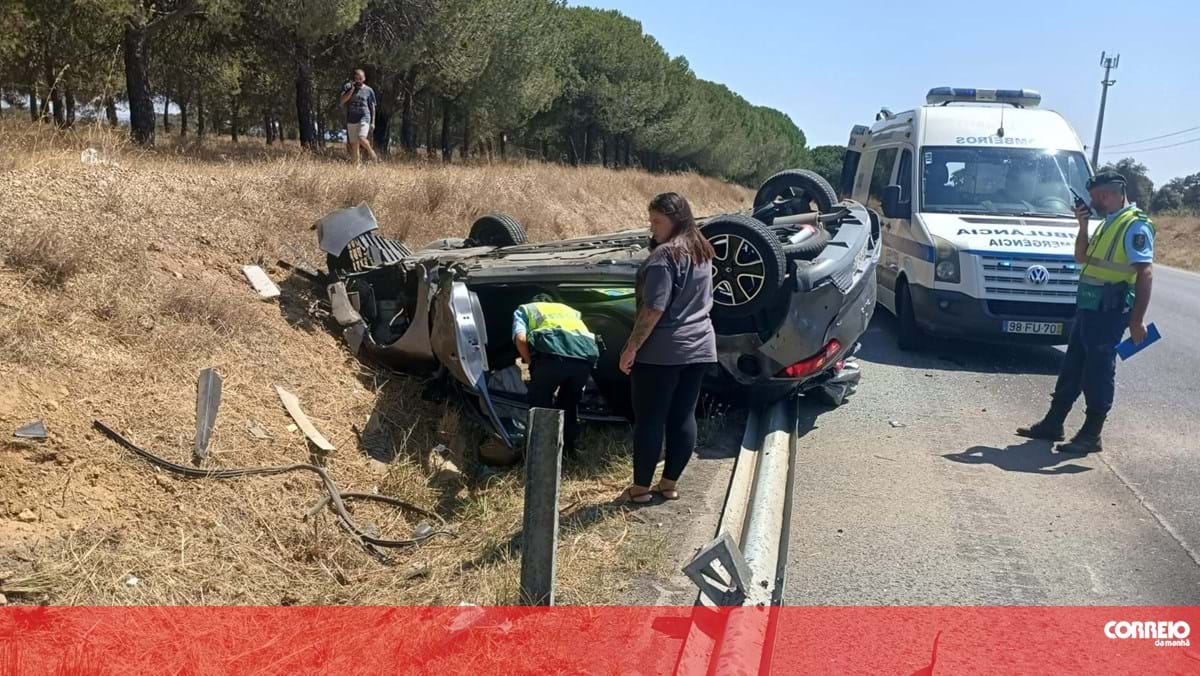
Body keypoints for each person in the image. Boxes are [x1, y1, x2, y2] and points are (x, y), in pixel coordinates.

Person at [1017, 171, 1155, 454]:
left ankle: (1092, 434)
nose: (1096, 203)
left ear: (1111, 193)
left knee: (1098, 370)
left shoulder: (1135, 226)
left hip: (1109, 310)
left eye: (1098, 197)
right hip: (1089, 307)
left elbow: (1145, 272)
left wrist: (1138, 319)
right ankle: (1054, 423)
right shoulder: (1108, 223)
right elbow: (1081, 257)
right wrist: (1082, 226)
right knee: (1073, 366)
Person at [617, 193, 718, 503]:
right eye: (651, 221)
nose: (652, 229)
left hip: (663, 351)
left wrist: (631, 348)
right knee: (683, 416)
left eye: (657, 222)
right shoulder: (702, 250)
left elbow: (654, 308)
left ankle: (641, 489)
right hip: (699, 346)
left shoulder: (665, 256)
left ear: (676, 220)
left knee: (649, 419)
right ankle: (669, 484)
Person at [513, 293, 600, 456]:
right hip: (583, 359)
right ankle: (567, 451)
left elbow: (521, 339)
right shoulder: (570, 310)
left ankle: (542, 454)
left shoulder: (525, 309)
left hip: (551, 357)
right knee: (569, 404)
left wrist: (530, 363)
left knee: (540, 404)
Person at [339, 69, 378, 165]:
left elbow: (373, 107)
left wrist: (373, 122)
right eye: (356, 78)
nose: (358, 80)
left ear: (364, 78)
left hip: (365, 117)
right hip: (351, 119)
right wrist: (352, 89)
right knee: (354, 145)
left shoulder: (369, 90)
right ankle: (356, 167)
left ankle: (371, 152)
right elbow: (342, 100)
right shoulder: (347, 87)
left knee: (361, 137)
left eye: (360, 78)